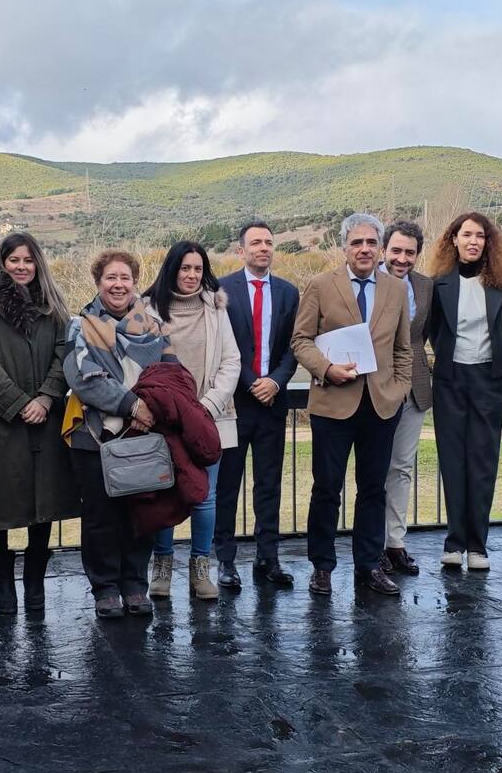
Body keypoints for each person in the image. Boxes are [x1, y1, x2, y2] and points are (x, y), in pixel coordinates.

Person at [291, 213, 412, 597]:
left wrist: (400, 389)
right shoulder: (320, 285)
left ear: (381, 249)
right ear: (344, 247)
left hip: (381, 405)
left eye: (371, 243)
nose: (364, 249)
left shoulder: (396, 289)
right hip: (333, 404)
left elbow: (403, 348)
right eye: (357, 242)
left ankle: (369, 565)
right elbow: (300, 340)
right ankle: (322, 567)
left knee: (373, 489)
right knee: (327, 489)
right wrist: (326, 369)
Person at [0, 232, 78, 614]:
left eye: (28, 260)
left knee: (43, 498)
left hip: (45, 417)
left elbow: (65, 354)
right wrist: (18, 403)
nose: (21, 266)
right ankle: (3, 585)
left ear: (38, 263)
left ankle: (34, 583)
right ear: (2, 263)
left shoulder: (54, 307)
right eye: (14, 259)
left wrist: (46, 397)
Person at [63, 249, 174, 618]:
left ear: (135, 282)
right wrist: (133, 406)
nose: (118, 284)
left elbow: (171, 375)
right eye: (110, 277)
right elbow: (84, 379)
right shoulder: (79, 326)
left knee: (140, 512)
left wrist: (150, 408)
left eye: (125, 277)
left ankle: (135, 584)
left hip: (144, 434)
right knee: (101, 516)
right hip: (93, 437)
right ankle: (106, 587)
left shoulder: (156, 327)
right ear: (98, 282)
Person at [141, 241, 239, 600]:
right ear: (172, 269)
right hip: (164, 421)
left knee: (205, 497)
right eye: (185, 268)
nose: (192, 275)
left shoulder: (216, 308)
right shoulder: (148, 309)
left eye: (198, 269)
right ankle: (162, 565)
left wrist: (208, 407)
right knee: (163, 490)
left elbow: (231, 360)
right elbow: (140, 364)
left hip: (209, 418)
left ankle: (201, 569)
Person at [427, 211, 502, 570]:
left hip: (487, 379)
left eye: (480, 235)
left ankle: (478, 546)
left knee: (483, 462)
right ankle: (454, 542)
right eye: (466, 234)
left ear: (488, 242)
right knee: (452, 460)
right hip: (449, 379)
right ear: (454, 239)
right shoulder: (438, 283)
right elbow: (435, 330)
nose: (473, 241)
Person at [215, 221, 299, 590]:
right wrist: (251, 383)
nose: (263, 248)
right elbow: (223, 346)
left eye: (268, 242)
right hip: (234, 403)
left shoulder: (288, 292)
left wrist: (275, 381)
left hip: (272, 402)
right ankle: (225, 560)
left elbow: (295, 345)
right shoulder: (221, 290)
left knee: (269, 484)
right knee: (227, 485)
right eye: (255, 243)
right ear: (241, 250)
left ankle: (268, 557)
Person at [379, 221, 433, 576]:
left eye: (409, 252)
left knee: (401, 468)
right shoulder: (368, 281)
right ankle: (372, 545)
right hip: (375, 387)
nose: (402, 258)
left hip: (415, 387)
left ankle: (395, 543)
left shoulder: (426, 286)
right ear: (384, 250)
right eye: (396, 251)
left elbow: (423, 335)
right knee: (374, 470)